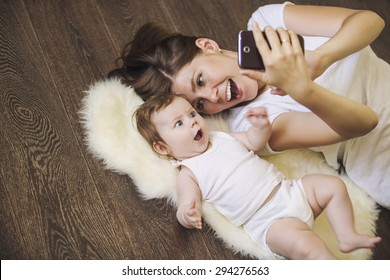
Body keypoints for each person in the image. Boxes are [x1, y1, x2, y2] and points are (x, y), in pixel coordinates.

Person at [109, 2, 390, 208]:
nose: (213, 97)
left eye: (201, 79)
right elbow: (364, 123)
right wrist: (302, 89)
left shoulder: (267, 24)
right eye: (200, 104)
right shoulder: (255, 122)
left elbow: (370, 21)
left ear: (208, 45)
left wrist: (319, 59)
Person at [134, 94, 381, 260]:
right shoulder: (188, 173)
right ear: (162, 148)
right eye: (179, 124)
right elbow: (186, 202)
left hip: (292, 191)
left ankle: (346, 235)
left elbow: (253, 141)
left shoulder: (223, 138)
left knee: (332, 185)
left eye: (191, 115)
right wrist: (187, 213)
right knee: (307, 247)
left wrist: (262, 126)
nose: (191, 123)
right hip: (270, 222)